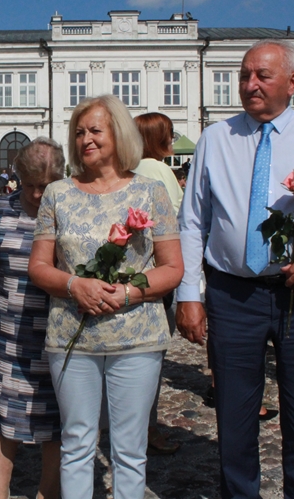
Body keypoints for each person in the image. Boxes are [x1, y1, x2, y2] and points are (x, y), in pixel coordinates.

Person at [176, 39, 294, 499]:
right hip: (233, 294)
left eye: (263, 75)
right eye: (244, 75)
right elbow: (193, 221)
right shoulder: (215, 139)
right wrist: (188, 294)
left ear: (293, 82)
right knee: (234, 415)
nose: (250, 84)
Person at [28, 95, 183, 499]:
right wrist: (74, 285)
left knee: (130, 448)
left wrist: (129, 292)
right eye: (79, 132)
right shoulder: (57, 193)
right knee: (77, 442)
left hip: (137, 336)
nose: (86, 139)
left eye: (95, 130)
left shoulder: (150, 192)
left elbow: (172, 268)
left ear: (119, 133)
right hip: (72, 335)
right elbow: (39, 266)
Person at [0, 138, 65, 499]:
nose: (38, 194)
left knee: (57, 416)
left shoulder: (68, 208)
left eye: (46, 185)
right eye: (30, 185)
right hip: (7, 330)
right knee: (1, 411)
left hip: (57, 331)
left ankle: (48, 490)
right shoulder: (1, 210)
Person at [131, 112, 182, 455]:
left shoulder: (128, 168)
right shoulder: (161, 171)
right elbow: (178, 221)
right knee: (151, 360)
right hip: (158, 273)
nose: (173, 141)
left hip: (131, 271)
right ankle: (147, 430)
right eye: (170, 135)